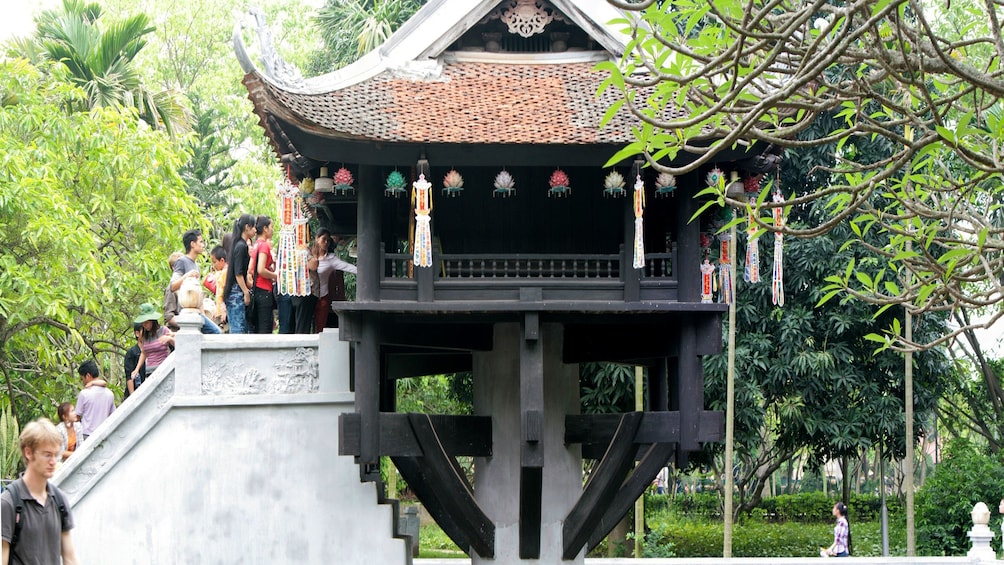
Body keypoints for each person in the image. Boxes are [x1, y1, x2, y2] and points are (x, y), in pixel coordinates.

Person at [1, 419, 79, 565]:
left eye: (56, 455)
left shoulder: (59, 501)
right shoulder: (8, 503)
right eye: (47, 455)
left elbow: (70, 557)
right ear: (28, 453)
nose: (53, 461)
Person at [170, 229, 222, 334]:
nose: (203, 245)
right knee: (217, 332)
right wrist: (187, 275)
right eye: (201, 242)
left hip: (197, 313)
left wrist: (204, 316)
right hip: (188, 314)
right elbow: (172, 286)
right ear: (192, 244)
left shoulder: (195, 265)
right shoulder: (182, 261)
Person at [313, 229, 357, 332]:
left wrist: (364, 270)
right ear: (317, 239)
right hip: (308, 297)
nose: (326, 242)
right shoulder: (309, 255)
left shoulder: (331, 259)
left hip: (322, 297)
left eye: (328, 240)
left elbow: (347, 267)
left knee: (320, 328)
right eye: (323, 239)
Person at [224, 214, 256, 334]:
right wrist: (246, 292)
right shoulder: (241, 246)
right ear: (247, 227)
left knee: (241, 328)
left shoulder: (238, 244)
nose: (255, 230)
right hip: (236, 293)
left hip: (235, 292)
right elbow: (238, 273)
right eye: (253, 227)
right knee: (238, 330)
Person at [131, 304, 174, 386]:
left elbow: (178, 344)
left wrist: (170, 339)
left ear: (152, 321)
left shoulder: (164, 330)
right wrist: (137, 369)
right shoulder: (144, 335)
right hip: (149, 372)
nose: (144, 325)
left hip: (162, 369)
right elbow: (144, 353)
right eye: (143, 323)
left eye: (146, 323)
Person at [248, 216, 277, 334]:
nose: (272, 230)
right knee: (265, 329)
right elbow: (260, 269)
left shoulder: (256, 245)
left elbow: (251, 269)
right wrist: (276, 276)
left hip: (257, 290)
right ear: (265, 228)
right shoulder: (264, 245)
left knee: (258, 328)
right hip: (264, 290)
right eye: (271, 227)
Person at [75, 361, 115, 442]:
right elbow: (113, 415)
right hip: (103, 434)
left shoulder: (84, 393)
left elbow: (77, 417)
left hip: (86, 434)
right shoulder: (109, 394)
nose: (83, 382)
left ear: (88, 375)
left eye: (82, 379)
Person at [205, 245, 228, 328]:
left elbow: (225, 292)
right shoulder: (221, 273)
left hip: (223, 312)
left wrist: (224, 310)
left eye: (215, 262)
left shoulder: (225, 273)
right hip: (219, 311)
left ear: (222, 260)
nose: (213, 265)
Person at [123, 322, 145, 400]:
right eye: (144, 331)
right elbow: (129, 376)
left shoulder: (151, 350)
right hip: (135, 392)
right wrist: (132, 397)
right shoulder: (131, 353)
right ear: (137, 333)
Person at [163, 251, 184, 331]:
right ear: (174, 268)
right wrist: (186, 324)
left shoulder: (186, 286)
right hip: (175, 334)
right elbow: (169, 316)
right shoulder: (171, 289)